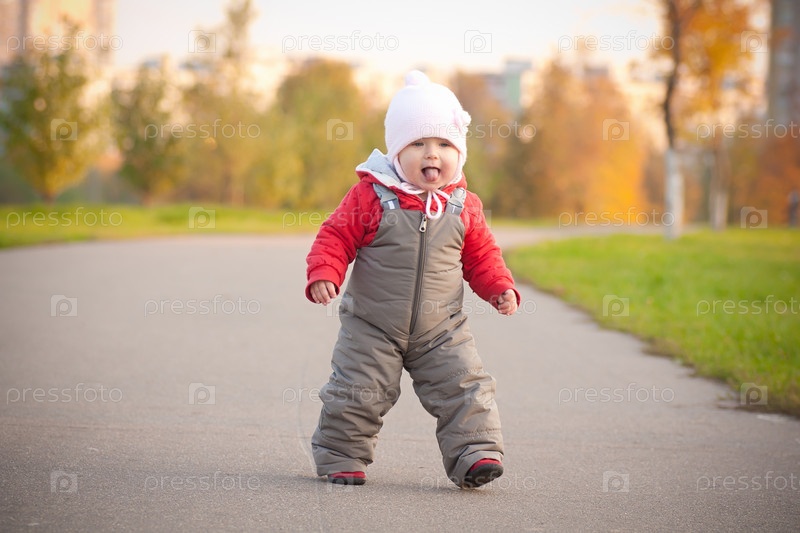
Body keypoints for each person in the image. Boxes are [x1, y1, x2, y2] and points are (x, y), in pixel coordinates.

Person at [305, 70, 520, 489]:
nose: (431, 154)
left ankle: (475, 454)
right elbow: (335, 235)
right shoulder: (372, 195)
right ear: (397, 151)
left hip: (442, 328)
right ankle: (341, 455)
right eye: (418, 144)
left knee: (465, 386)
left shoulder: (463, 206)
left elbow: (482, 255)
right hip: (373, 326)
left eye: (444, 145)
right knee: (358, 390)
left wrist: (499, 287)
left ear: (459, 153)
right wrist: (324, 272)